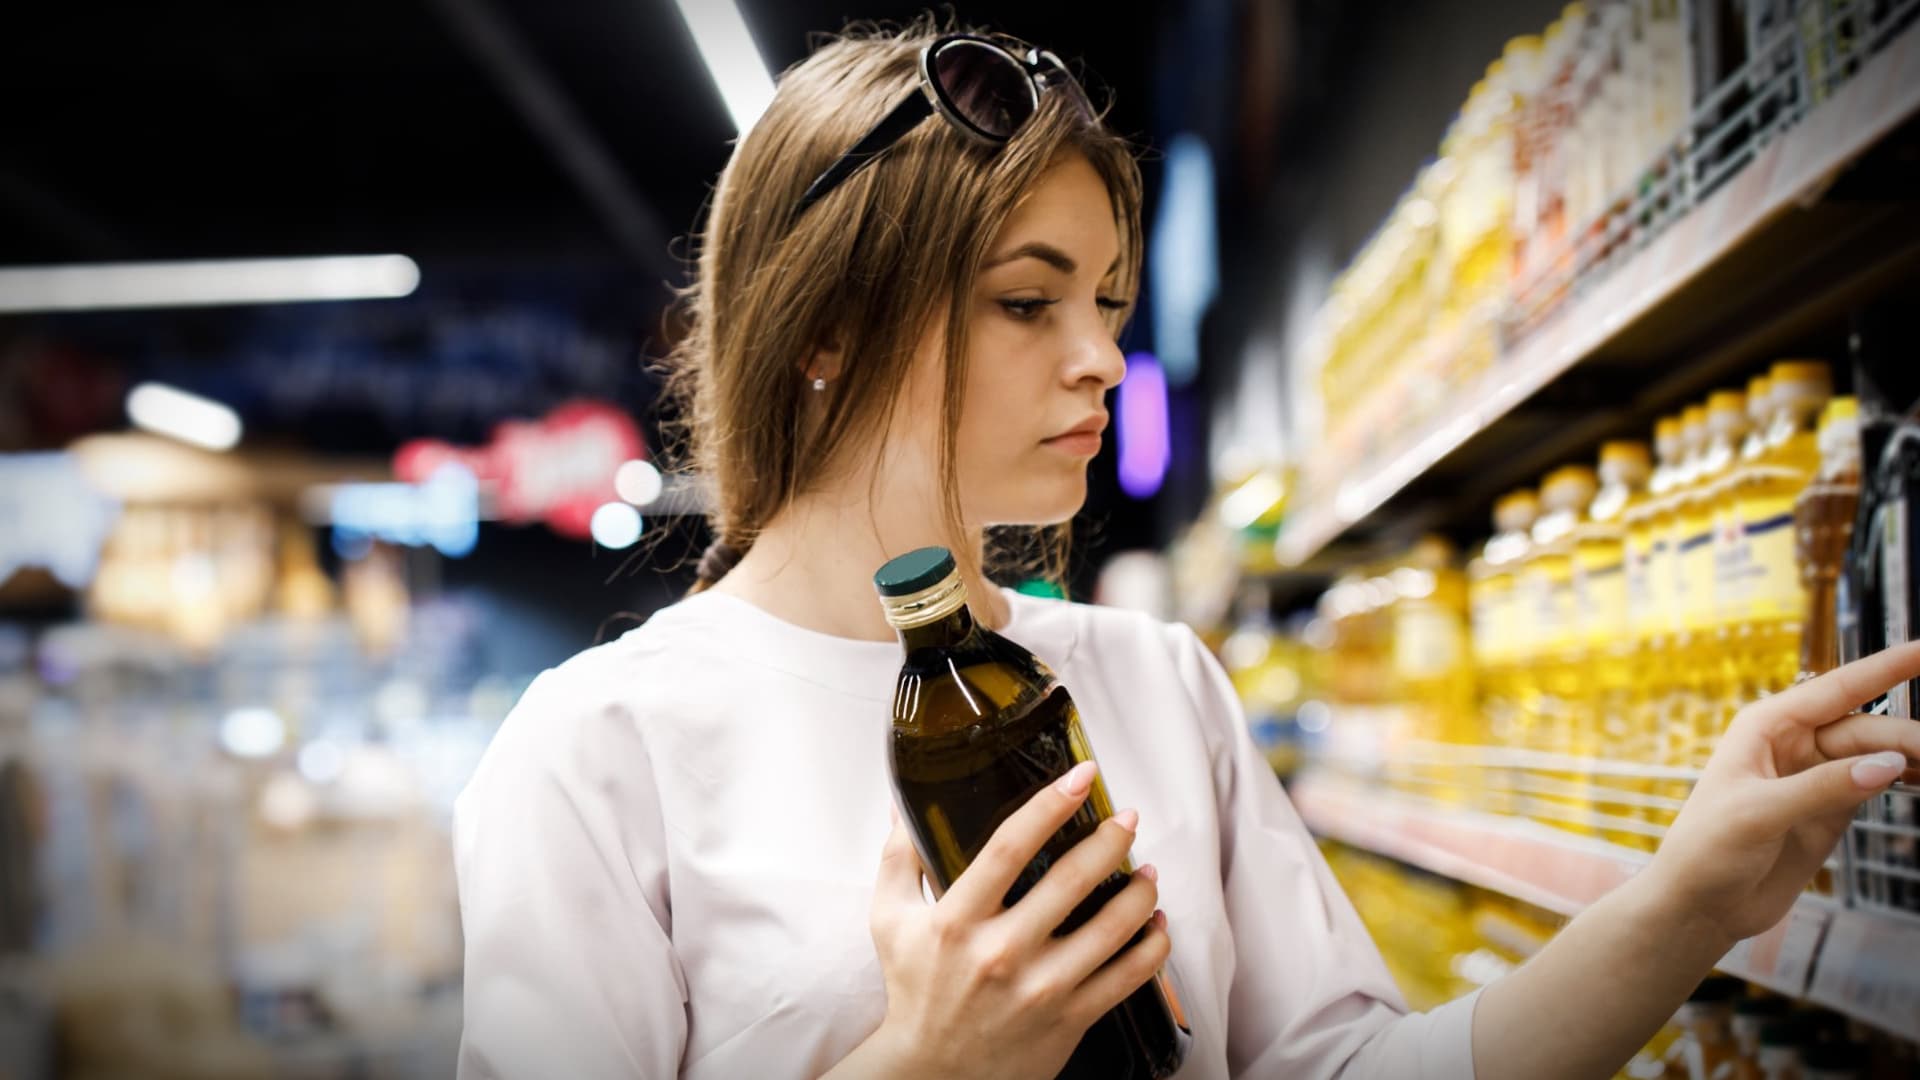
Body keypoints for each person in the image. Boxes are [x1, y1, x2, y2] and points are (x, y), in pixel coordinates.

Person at [451, 20, 1920, 1080]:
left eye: (1110, 298)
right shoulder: (601, 751)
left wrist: (1689, 903)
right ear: (826, 328)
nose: (1102, 357)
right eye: (1029, 303)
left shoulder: (1154, 682)